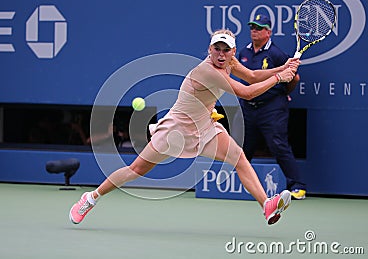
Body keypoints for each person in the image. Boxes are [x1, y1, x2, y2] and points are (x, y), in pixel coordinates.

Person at [69, 29, 300, 226]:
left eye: (226, 50)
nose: (221, 54)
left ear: (232, 51)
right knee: (136, 170)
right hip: (176, 131)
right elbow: (246, 92)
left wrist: (282, 67)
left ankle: (267, 206)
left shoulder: (229, 62)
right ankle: (91, 198)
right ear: (209, 49)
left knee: (239, 157)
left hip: (204, 128)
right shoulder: (207, 70)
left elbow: (251, 76)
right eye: (217, 49)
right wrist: (280, 77)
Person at [236, 14, 306, 199]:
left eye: (259, 28)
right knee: (244, 148)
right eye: (252, 27)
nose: (254, 31)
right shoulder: (243, 52)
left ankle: (297, 186)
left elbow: (294, 77)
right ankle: (237, 186)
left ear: (268, 32)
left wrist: (284, 93)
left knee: (278, 145)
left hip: (272, 108)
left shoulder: (276, 54)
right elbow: (247, 78)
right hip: (248, 107)